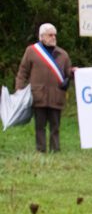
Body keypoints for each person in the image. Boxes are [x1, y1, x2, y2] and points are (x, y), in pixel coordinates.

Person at [15, 23, 74, 153]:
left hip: (56, 95)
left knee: (55, 126)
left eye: (54, 35)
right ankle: (40, 150)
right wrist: (19, 89)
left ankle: (55, 150)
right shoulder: (31, 51)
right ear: (42, 37)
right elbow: (23, 71)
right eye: (50, 35)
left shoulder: (63, 54)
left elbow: (68, 72)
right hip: (38, 94)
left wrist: (73, 73)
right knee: (39, 126)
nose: (53, 37)